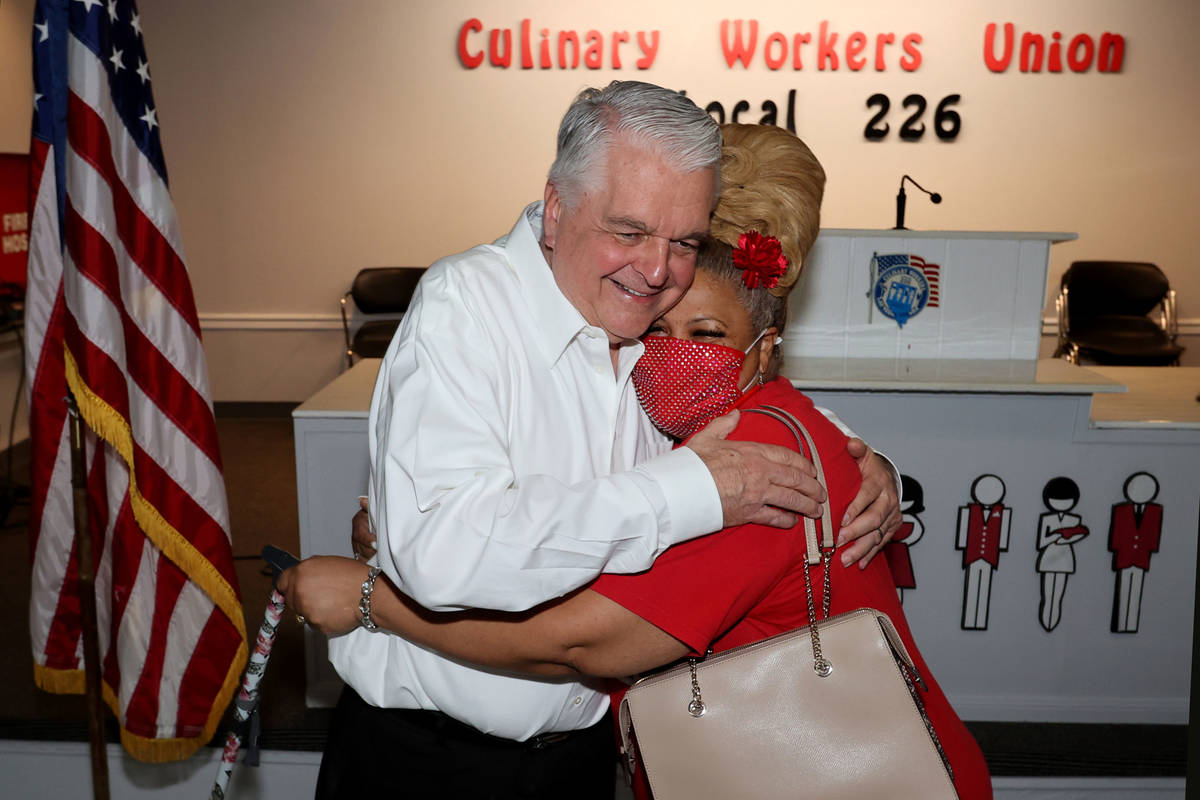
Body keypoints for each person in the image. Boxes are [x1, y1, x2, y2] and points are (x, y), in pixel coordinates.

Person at [284, 123, 990, 799]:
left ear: (765, 345)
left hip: (803, 768)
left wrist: (375, 601)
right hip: (429, 756)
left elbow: (583, 646)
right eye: (659, 327)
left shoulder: (745, 466)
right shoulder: (602, 362)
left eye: (708, 333)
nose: (675, 350)